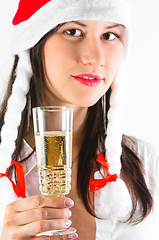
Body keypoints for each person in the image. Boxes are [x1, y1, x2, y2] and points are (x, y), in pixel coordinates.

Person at [0, 0, 159, 239]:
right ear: (34, 40)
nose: (95, 58)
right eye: (73, 31)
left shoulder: (148, 165)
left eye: (109, 35)